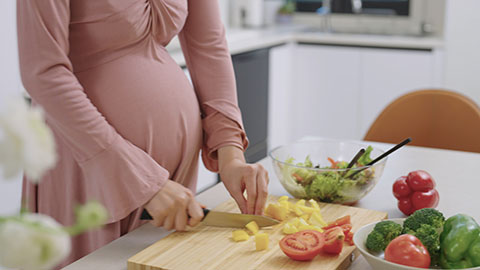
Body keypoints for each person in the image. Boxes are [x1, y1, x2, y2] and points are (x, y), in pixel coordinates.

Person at [17, 0, 269, 267]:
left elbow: (208, 44)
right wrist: (141, 180)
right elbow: (43, 74)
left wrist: (231, 154)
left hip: (172, 179)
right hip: (89, 165)